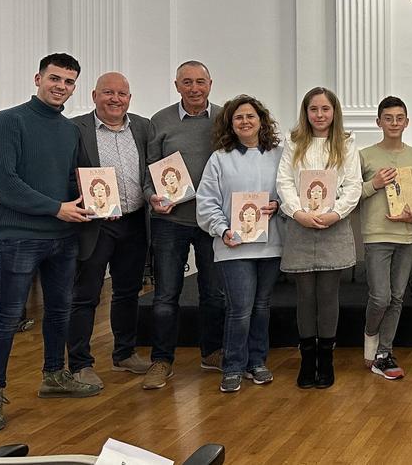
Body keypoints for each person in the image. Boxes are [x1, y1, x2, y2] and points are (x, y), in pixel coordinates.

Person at [0, 53, 97, 433]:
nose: (61, 86)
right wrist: (56, 208)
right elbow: (4, 183)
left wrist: (96, 201)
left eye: (69, 82)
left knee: (60, 310)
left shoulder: (69, 130)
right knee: (8, 317)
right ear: (38, 78)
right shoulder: (8, 121)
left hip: (62, 237)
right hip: (19, 237)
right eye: (55, 78)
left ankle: (53, 376)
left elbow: (71, 180)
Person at [67, 72, 154, 391]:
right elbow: (65, 172)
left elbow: (153, 169)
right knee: (86, 294)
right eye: (108, 93)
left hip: (134, 221)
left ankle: (125, 353)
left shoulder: (143, 127)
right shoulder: (76, 129)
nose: (115, 99)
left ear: (130, 98)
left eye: (122, 93)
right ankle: (79, 363)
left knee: (128, 292)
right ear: (94, 95)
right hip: (95, 225)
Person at [142, 60, 224, 390]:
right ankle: (161, 360)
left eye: (200, 82)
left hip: (211, 220)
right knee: (165, 295)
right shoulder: (159, 122)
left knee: (214, 293)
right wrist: (151, 197)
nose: (194, 88)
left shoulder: (225, 118)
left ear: (210, 84)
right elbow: (148, 172)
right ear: (176, 86)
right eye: (186, 82)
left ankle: (213, 352)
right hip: (169, 221)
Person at [195, 95, 284, 393]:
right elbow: (206, 202)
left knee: (261, 306)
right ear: (230, 125)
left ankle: (256, 362)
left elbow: (289, 192)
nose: (245, 122)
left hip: (270, 245)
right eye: (238, 118)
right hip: (233, 246)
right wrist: (222, 230)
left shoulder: (279, 155)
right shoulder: (219, 159)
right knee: (240, 308)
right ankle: (232, 365)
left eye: (250, 116)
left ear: (261, 121)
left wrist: (278, 204)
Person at [276, 87, 361, 389]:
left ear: (334, 112)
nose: (320, 115)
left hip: (332, 226)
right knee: (305, 296)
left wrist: (334, 213)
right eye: (314, 109)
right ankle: (307, 358)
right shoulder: (293, 141)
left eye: (325, 109)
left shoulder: (347, 144)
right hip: (301, 225)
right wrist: (297, 212)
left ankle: (326, 358)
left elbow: (353, 185)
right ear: (306, 112)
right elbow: (284, 181)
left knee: (327, 296)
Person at [359, 96, 412, 380]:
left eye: (400, 118)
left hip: (406, 235)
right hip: (377, 234)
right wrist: (374, 184)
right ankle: (371, 335)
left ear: (407, 122)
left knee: (397, 297)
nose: (394, 123)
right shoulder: (364, 156)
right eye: (388, 118)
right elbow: (351, 196)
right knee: (380, 297)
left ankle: (384, 353)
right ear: (379, 122)